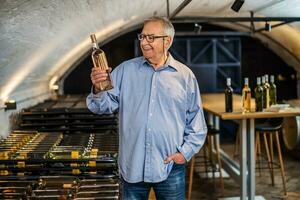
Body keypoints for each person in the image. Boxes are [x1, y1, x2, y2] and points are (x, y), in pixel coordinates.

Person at [86, 16, 207, 200]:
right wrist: (97, 87)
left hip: (170, 168)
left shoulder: (185, 76)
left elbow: (197, 123)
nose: (144, 42)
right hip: (132, 166)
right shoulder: (125, 71)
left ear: (168, 41)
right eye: (142, 37)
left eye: (151, 37)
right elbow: (101, 107)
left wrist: (184, 153)